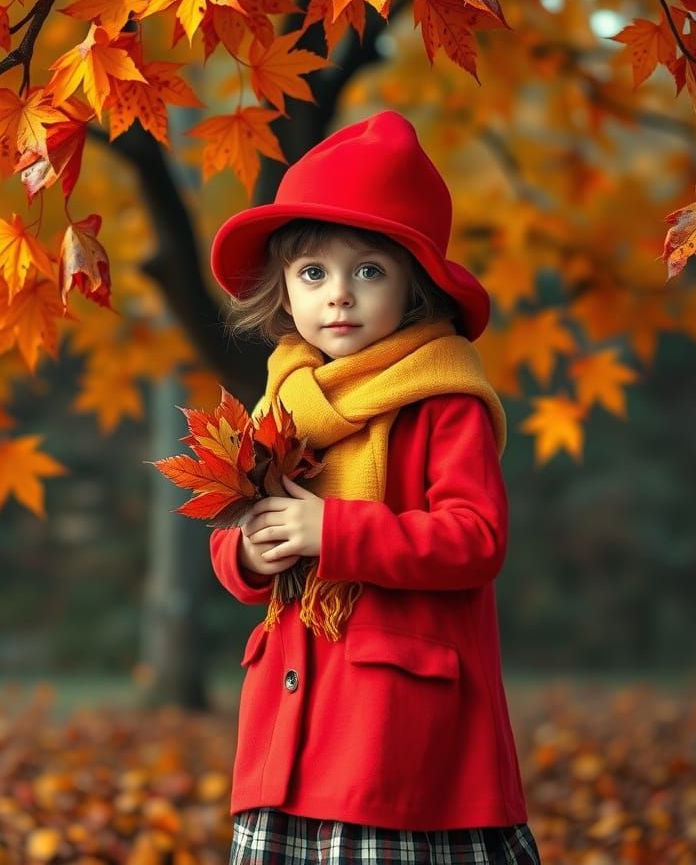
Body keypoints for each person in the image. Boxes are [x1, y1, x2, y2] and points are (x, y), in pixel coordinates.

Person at [208, 110, 542, 865]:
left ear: (414, 286)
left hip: (400, 744)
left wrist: (336, 531)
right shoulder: (280, 406)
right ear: (286, 291)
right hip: (287, 736)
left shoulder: (442, 396)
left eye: (368, 271)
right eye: (313, 273)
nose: (339, 297)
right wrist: (253, 554)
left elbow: (475, 538)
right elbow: (237, 531)